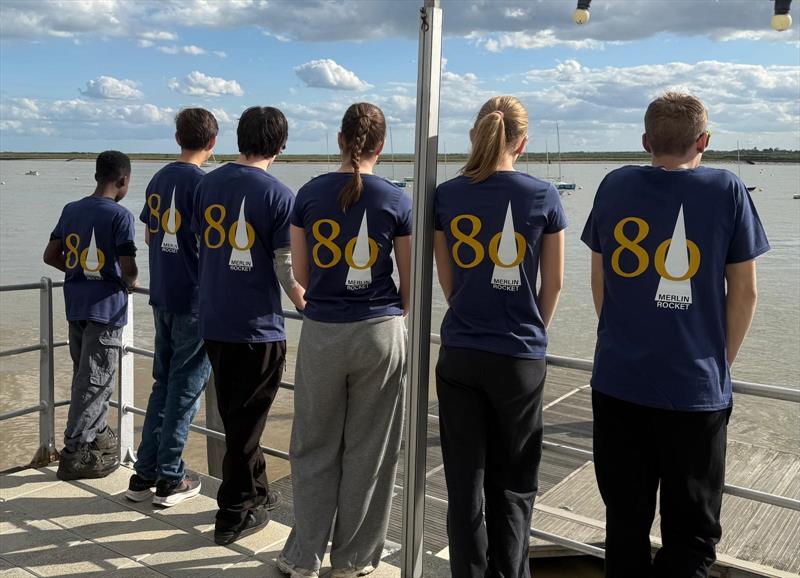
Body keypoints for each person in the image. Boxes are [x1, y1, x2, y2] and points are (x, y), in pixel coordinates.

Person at [581, 92, 769, 578]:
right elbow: (744, 293)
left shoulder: (613, 185)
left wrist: (623, 334)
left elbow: (600, 282)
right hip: (694, 393)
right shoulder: (727, 189)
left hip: (618, 383)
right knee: (690, 538)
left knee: (624, 527)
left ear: (646, 141)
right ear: (704, 140)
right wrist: (718, 362)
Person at [433, 96, 566, 577]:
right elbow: (553, 284)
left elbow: (448, 281)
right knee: (513, 488)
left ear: (475, 136)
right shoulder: (543, 195)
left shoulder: (446, 195)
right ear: (523, 143)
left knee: (464, 488)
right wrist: (534, 331)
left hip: (460, 353)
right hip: (518, 357)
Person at [277, 102, 411, 578]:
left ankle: (303, 558)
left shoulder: (309, 195)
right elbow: (409, 285)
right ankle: (353, 560)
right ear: (381, 145)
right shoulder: (397, 200)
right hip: (380, 331)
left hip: (324, 332)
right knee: (369, 451)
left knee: (313, 446)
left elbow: (302, 276)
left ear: (340, 139)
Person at [192, 106, 305, 546]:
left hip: (214, 318)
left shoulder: (207, 184)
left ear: (239, 138)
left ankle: (257, 490)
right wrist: (301, 299)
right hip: (257, 327)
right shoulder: (279, 195)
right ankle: (234, 512)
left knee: (238, 415)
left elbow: (201, 243)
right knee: (247, 421)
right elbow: (285, 263)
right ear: (280, 146)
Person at [125, 108, 218, 507]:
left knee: (164, 383)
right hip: (195, 299)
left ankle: (143, 473)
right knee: (185, 389)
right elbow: (215, 247)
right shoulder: (206, 185)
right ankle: (169, 477)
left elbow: (149, 235)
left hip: (161, 294)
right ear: (212, 144)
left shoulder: (159, 178)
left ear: (176, 137)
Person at [43, 150, 138, 481]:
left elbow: (51, 255)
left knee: (85, 376)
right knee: (96, 381)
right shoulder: (120, 216)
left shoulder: (72, 210)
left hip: (76, 305)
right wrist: (130, 282)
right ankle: (76, 452)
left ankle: (96, 433)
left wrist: (80, 269)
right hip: (106, 310)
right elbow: (129, 269)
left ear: (97, 175)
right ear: (123, 181)